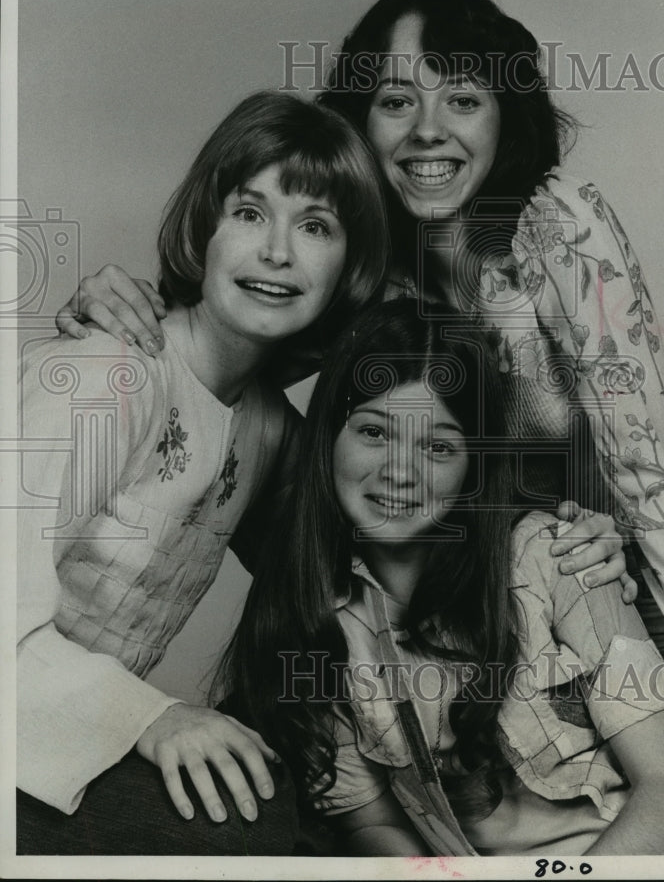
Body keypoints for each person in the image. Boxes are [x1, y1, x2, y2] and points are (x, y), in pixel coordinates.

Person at [53, 0, 664, 766]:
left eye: (462, 99)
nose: (427, 131)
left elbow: (656, 482)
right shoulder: (355, 258)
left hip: (606, 583)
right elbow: (227, 356)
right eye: (394, 102)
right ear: (360, 119)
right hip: (445, 617)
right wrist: (121, 306)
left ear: (502, 114)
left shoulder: (560, 223)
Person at [218, 298, 664, 857]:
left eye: (439, 446)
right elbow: (376, 826)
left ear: (474, 462)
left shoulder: (557, 555)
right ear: (329, 438)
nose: (399, 471)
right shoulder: (312, 620)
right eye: (374, 432)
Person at [16, 90, 390, 854]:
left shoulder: (270, 428)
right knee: (238, 833)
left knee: (289, 809)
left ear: (347, 265)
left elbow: (357, 567)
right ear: (204, 228)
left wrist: (559, 542)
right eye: (250, 214)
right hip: (21, 733)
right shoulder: (108, 377)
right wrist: (152, 717)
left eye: (314, 226)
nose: (277, 252)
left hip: (69, 738)